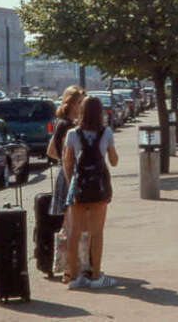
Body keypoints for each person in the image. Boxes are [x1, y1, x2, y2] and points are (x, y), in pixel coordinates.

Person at [63, 95, 119, 290]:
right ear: (100, 113)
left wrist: (74, 183)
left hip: (78, 188)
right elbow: (113, 161)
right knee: (97, 233)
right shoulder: (106, 133)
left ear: (82, 112)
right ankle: (95, 276)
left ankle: (74, 277)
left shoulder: (72, 134)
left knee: (74, 233)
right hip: (99, 189)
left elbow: (68, 163)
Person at [47, 85, 85, 218]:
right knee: (72, 220)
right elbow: (61, 154)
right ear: (70, 103)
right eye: (79, 102)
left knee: (68, 220)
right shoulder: (68, 127)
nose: (81, 106)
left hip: (63, 172)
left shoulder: (61, 123)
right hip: (68, 174)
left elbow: (51, 151)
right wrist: (67, 162)